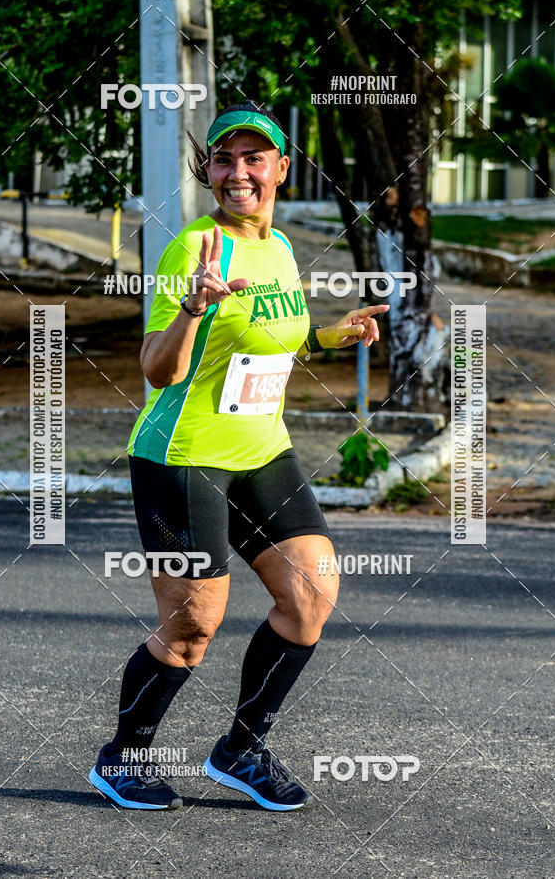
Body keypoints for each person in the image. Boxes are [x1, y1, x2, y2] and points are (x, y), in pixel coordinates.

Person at [88, 100, 389, 812]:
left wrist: (325, 338)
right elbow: (159, 372)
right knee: (193, 627)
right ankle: (124, 758)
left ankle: (241, 749)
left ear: (281, 168)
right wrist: (194, 306)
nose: (239, 172)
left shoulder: (280, 248)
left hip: (262, 450)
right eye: (225, 159)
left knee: (310, 596)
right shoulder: (194, 249)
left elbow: (265, 341)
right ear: (209, 172)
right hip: (183, 455)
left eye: (255, 158)